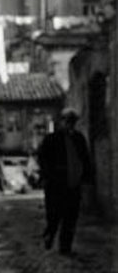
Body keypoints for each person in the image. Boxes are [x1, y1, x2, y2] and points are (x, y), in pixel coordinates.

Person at [37, 107, 92, 255]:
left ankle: (65, 246)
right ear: (62, 122)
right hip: (56, 184)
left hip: (73, 183)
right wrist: (47, 175)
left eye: (72, 121)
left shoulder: (79, 139)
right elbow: (42, 158)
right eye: (67, 121)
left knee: (71, 216)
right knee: (54, 215)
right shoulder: (52, 139)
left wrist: (86, 178)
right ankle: (50, 235)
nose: (70, 124)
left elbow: (85, 159)